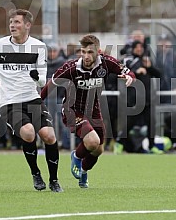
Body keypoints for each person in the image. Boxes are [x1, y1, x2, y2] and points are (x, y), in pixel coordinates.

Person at [0, 9, 63, 192]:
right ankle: (36, 174)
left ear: (27, 25)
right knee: (28, 133)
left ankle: (54, 180)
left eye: (17, 22)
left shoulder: (38, 46)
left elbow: (43, 80)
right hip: (9, 102)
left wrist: (37, 78)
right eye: (11, 22)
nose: (12, 25)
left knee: (49, 136)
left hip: (33, 99)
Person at [41, 34, 135, 189]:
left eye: (90, 52)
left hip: (94, 110)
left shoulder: (106, 63)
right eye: (83, 52)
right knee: (92, 141)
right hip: (72, 111)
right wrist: (38, 102)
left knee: (98, 149)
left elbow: (128, 71)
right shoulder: (71, 68)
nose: (86, 56)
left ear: (98, 51)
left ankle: (84, 171)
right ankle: (76, 156)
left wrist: (130, 77)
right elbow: (51, 84)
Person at [115, 40, 162, 154]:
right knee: (130, 123)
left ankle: (152, 146)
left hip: (148, 98)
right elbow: (123, 73)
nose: (139, 49)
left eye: (141, 47)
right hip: (135, 99)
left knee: (151, 123)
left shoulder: (146, 60)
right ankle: (119, 142)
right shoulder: (129, 59)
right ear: (133, 48)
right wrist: (137, 71)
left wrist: (149, 67)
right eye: (137, 47)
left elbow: (159, 74)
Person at [45, 43, 69, 149]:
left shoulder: (63, 64)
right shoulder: (43, 64)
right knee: (47, 122)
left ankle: (65, 143)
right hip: (47, 97)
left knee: (62, 121)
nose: (52, 54)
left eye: (54, 51)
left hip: (59, 97)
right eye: (50, 51)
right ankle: (48, 143)